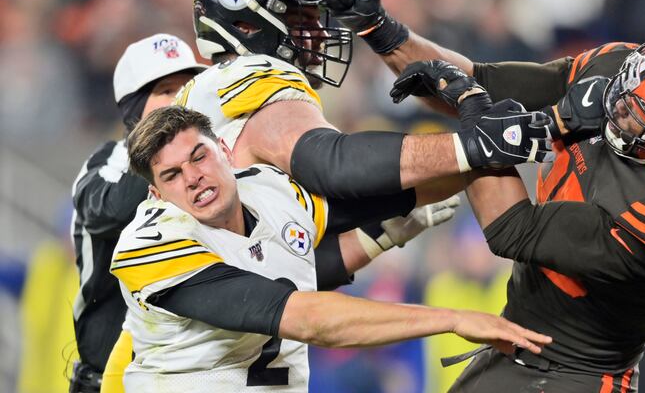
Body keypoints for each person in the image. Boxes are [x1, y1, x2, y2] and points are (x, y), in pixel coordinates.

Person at [387, 39, 645, 391]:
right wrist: (381, 30)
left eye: (637, 113)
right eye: (625, 87)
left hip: (574, 374)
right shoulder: (624, 74)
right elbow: (484, 79)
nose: (615, 103)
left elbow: (511, 228)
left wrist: (489, 111)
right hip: (511, 343)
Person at [111, 105, 552, 392]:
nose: (193, 178)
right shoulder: (154, 245)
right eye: (172, 176)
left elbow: (389, 195)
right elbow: (307, 318)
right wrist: (453, 319)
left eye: (199, 157)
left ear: (225, 150)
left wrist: (489, 151)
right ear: (156, 195)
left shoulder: (269, 191)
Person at [176, 0, 554, 209]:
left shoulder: (217, 91)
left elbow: (302, 241)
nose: (321, 36)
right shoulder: (252, 76)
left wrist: (379, 233)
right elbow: (332, 164)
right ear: (246, 24)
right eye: (304, 20)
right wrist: (468, 147)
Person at [70, 33, 206, 393]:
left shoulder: (211, 169)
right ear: (133, 108)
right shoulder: (106, 163)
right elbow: (110, 211)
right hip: (107, 382)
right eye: (165, 90)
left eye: (187, 87)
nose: (180, 99)